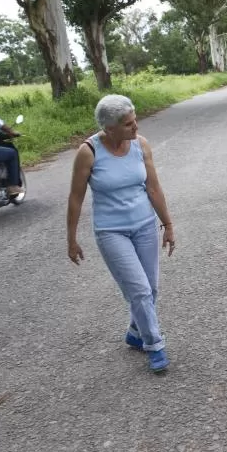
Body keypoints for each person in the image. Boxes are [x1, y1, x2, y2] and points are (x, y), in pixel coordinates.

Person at [65, 94, 176, 373]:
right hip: (111, 231)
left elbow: (153, 188)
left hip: (144, 225)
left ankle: (135, 332)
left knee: (150, 288)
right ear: (109, 128)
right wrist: (71, 238)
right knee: (138, 290)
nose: (135, 127)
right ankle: (154, 344)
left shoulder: (140, 144)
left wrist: (168, 225)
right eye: (128, 124)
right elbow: (76, 197)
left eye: (135, 120)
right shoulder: (88, 151)